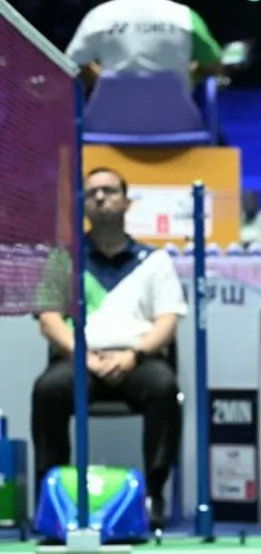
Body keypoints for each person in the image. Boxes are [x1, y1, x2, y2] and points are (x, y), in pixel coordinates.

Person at [31, 167, 187, 531]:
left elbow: (167, 320)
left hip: (135, 359)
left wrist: (134, 355)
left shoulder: (154, 261)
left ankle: (154, 493)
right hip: (80, 360)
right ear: (82, 204)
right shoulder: (63, 259)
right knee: (48, 391)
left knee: (164, 388)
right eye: (92, 193)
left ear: (127, 201)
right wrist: (82, 355)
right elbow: (49, 319)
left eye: (110, 191)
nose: (100, 198)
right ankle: (52, 498)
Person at [64, 0, 226, 93]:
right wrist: (189, 76)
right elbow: (213, 63)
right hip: (175, 124)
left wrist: (103, 79)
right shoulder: (185, 16)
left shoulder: (98, 15)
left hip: (110, 123)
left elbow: (70, 65)